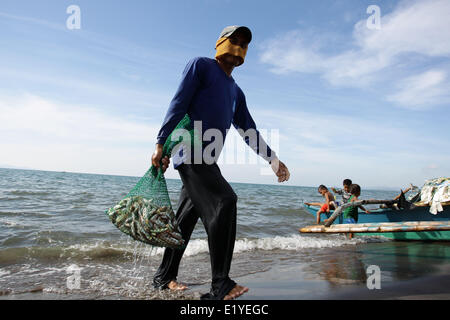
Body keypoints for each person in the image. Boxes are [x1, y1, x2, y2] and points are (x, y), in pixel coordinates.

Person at [151, 26, 290, 300]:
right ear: (220, 43)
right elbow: (178, 103)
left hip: (208, 158)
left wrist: (272, 159)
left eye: (243, 44)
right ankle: (220, 285)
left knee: (183, 223)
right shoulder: (200, 66)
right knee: (224, 201)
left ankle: (163, 278)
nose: (238, 47)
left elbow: (248, 129)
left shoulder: (236, 91)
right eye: (233, 41)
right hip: (189, 152)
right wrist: (160, 142)